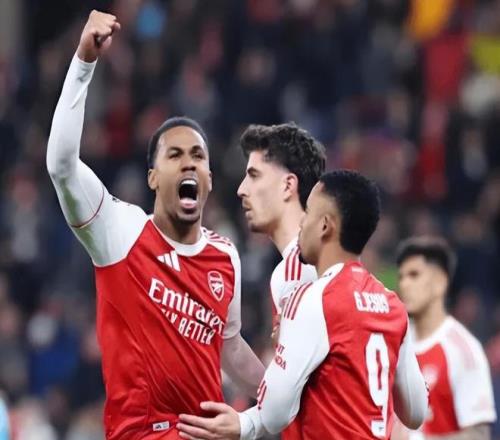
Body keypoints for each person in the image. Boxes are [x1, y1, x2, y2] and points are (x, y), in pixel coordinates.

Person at [46, 10, 264, 440]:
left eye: (198, 156)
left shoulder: (225, 255)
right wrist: (84, 61)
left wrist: (286, 402)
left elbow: (230, 347)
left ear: (209, 178)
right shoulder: (119, 231)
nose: (189, 163)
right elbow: (61, 166)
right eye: (174, 155)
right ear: (152, 177)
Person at [177, 170, 428, 440]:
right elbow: (416, 412)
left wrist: (245, 422)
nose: (301, 223)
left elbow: (274, 412)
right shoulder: (392, 305)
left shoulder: (313, 299)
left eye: (307, 212)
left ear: (325, 226)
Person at [394, 236, 497, 440]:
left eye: (414, 275)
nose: (404, 284)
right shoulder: (394, 339)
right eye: (402, 277)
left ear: (440, 283)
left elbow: (480, 434)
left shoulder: (464, 349)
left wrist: (416, 439)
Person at [237, 123, 325, 340]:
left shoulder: (298, 270)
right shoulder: (325, 257)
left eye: (254, 176)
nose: (241, 190)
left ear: (288, 186)